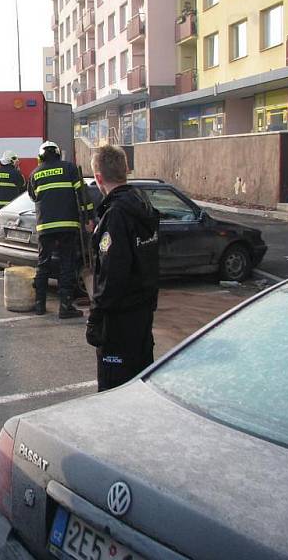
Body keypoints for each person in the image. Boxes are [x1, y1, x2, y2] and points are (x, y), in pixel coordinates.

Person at [85, 144, 160, 392]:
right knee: (138, 385)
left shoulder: (116, 215)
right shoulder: (142, 205)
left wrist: (95, 318)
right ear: (125, 171)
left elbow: (112, 275)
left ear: (98, 178)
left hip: (119, 323)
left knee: (113, 392)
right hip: (143, 315)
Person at [28, 141, 85, 319]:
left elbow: (33, 196)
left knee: (43, 264)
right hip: (68, 225)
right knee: (66, 264)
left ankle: (39, 305)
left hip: (45, 226)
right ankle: (65, 307)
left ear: (41, 157)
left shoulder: (35, 173)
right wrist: (88, 216)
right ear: (58, 154)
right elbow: (82, 194)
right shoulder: (69, 168)